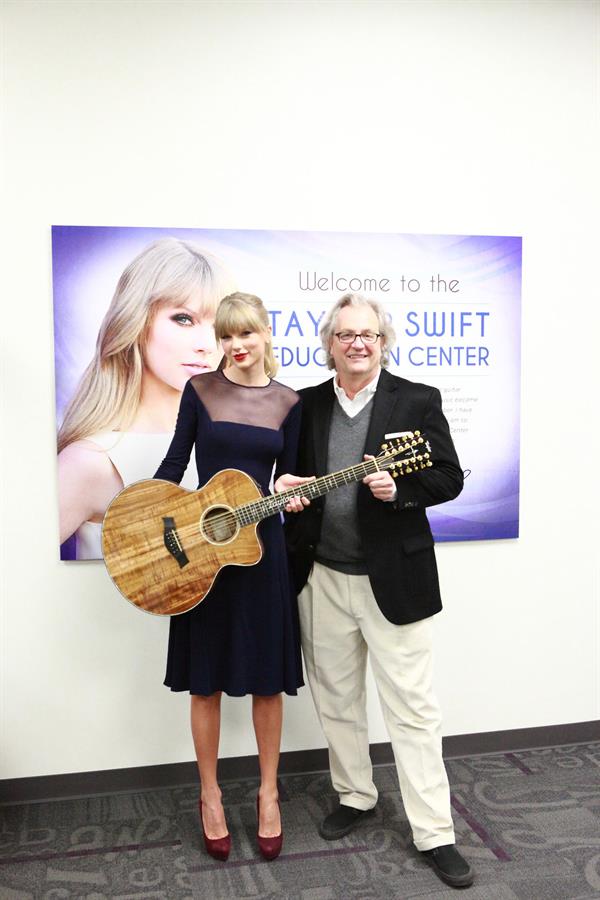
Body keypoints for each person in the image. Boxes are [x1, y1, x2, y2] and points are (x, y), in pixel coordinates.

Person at [284, 292, 474, 889]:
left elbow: (448, 475)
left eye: (368, 334)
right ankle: (355, 795)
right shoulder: (306, 404)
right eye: (346, 335)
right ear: (330, 344)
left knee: (413, 710)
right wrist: (286, 486)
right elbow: (290, 479)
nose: (358, 343)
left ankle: (435, 831)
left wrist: (403, 492)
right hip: (324, 576)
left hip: (393, 579)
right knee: (336, 701)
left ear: (384, 342)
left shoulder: (417, 400)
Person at [154, 292, 309, 862]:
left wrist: (290, 498)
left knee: (268, 680)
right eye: (226, 336)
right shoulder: (199, 392)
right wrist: (147, 525)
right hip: (201, 547)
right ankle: (210, 794)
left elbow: (286, 480)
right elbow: (174, 465)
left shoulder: (290, 403)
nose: (237, 346)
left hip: (262, 552)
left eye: (247, 334)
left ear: (267, 333)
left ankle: (269, 794)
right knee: (206, 679)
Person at [57, 237, 235, 559]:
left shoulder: (229, 447)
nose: (208, 344)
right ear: (136, 323)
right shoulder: (89, 462)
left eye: (220, 325)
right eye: (184, 319)